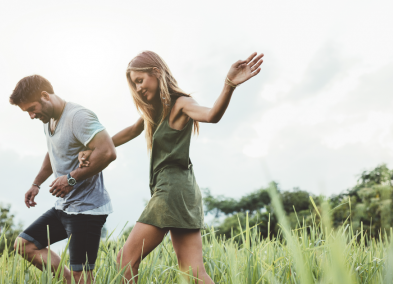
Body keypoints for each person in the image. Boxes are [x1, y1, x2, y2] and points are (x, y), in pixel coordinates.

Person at [79, 51, 263, 283]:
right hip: (184, 192)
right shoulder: (155, 111)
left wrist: (228, 85)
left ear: (156, 73)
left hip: (171, 190)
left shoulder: (181, 104)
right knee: (192, 272)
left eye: (140, 80)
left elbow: (211, 115)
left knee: (125, 260)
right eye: (134, 84)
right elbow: (131, 131)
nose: (137, 88)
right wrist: (95, 148)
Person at [10, 75, 117, 284]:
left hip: (86, 209)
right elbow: (53, 152)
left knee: (82, 276)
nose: (31, 115)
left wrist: (71, 179)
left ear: (45, 96)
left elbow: (107, 152)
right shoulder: (48, 119)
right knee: (24, 244)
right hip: (64, 207)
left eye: (32, 108)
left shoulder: (78, 116)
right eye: (27, 112)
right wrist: (36, 183)